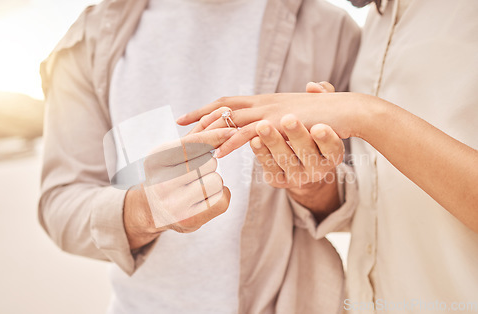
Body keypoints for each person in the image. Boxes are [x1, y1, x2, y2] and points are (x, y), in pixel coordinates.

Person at [38, 0, 361, 313]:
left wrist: (312, 186)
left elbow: (364, 201)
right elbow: (61, 202)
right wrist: (145, 210)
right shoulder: (90, 38)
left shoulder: (332, 31)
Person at [178, 0, 478, 313]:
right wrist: (313, 184)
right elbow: (381, 199)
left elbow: (367, 119)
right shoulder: (375, 24)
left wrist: (365, 114)